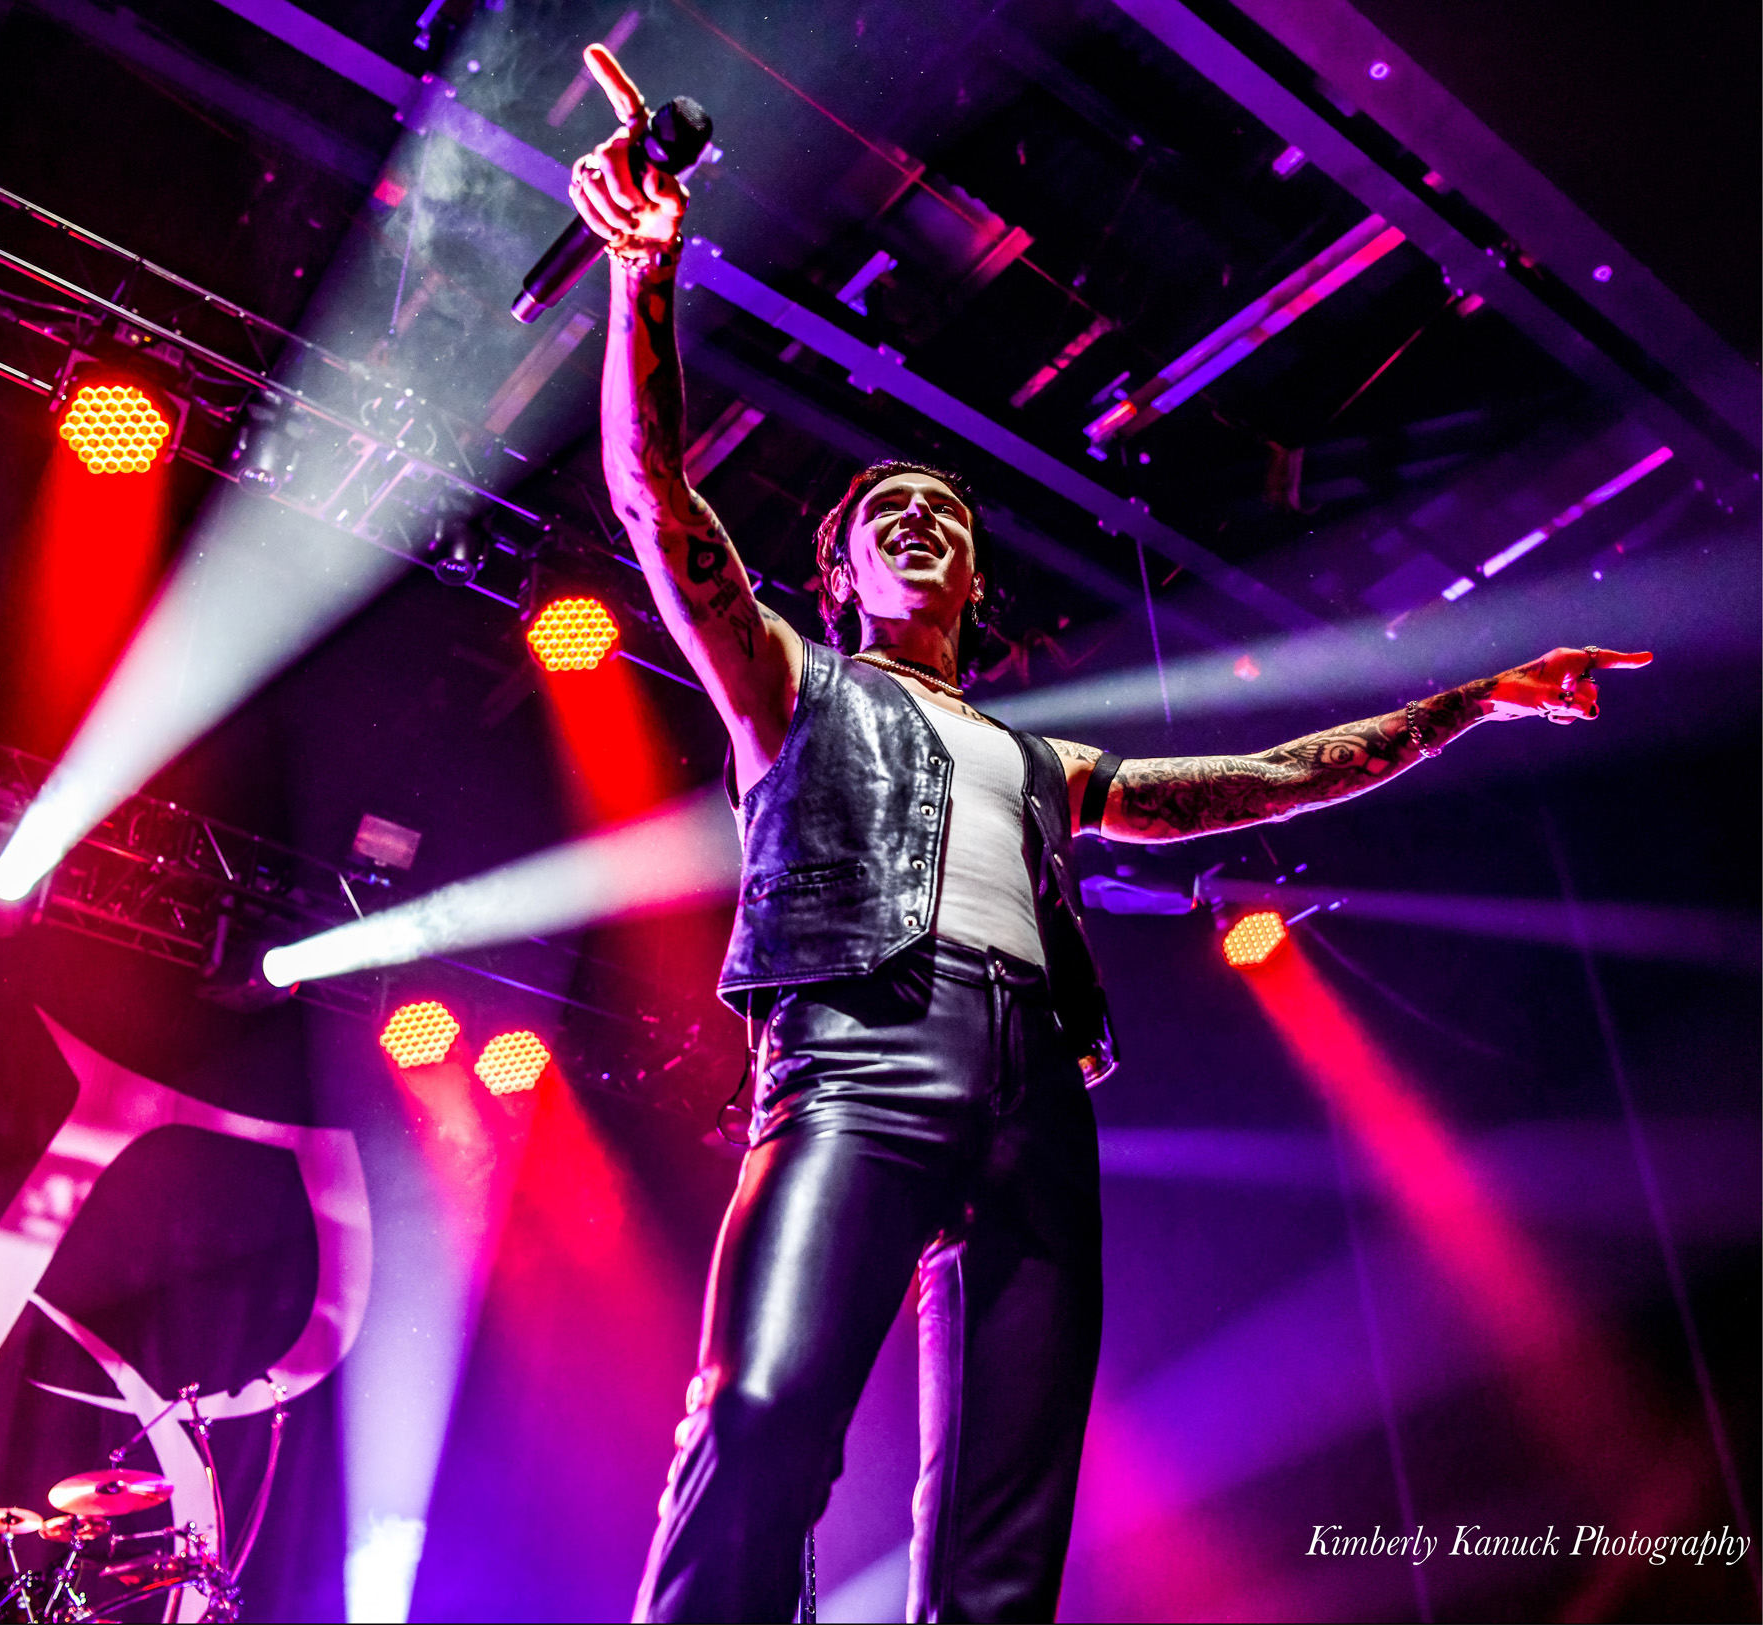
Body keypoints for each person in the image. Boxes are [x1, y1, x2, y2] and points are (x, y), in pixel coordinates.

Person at [565, 43, 1651, 1624]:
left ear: (974, 579)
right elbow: (656, 498)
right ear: (841, 573)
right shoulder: (789, 686)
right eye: (886, 514)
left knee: (1006, 1524)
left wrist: (1469, 701)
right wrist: (645, 273)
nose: (923, 519)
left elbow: (1268, 777)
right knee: (760, 1418)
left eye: (947, 514)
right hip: (861, 1057)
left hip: (1035, 1095)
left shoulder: (1036, 757)